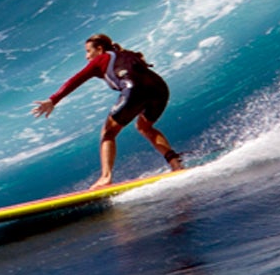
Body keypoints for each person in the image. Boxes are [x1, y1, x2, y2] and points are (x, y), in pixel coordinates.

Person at [32, 33, 185, 186]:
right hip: (159, 88)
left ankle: (106, 177)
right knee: (144, 126)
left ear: (99, 49)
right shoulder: (126, 54)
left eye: (88, 51)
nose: (87, 57)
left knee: (108, 133)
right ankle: (175, 164)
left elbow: (77, 78)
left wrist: (53, 100)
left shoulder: (101, 59)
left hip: (134, 88)